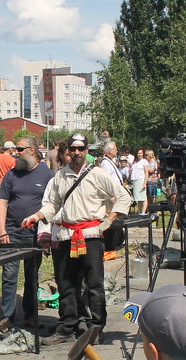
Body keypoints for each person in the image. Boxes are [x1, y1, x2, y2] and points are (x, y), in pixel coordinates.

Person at [24, 133, 130, 346]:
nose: (76, 153)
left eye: (81, 148)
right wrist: (36, 217)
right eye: (73, 149)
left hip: (89, 236)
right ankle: (67, 327)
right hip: (64, 236)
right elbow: (52, 205)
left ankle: (96, 328)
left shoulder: (98, 174)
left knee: (94, 285)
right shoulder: (59, 177)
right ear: (68, 151)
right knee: (65, 283)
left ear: (87, 150)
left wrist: (107, 222)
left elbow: (123, 197)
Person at [0, 135, 52, 331]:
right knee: (9, 276)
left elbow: (52, 205)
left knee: (32, 277)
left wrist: (47, 235)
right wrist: (2, 230)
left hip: (35, 236)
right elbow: (2, 202)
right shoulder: (12, 175)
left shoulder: (47, 175)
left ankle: (30, 315)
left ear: (32, 151)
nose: (15, 153)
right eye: (16, 150)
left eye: (19, 149)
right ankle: (7, 317)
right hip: (12, 234)